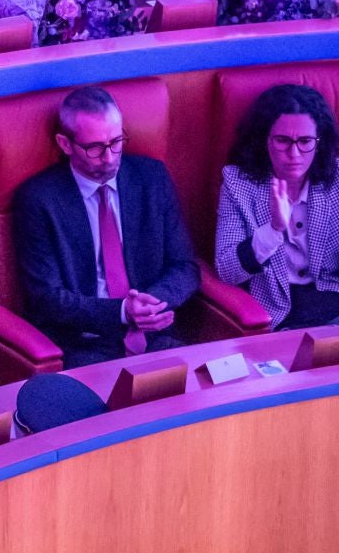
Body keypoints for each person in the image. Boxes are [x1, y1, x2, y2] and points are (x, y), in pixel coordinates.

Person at [11, 87, 200, 368]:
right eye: (95, 147)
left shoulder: (152, 179)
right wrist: (123, 312)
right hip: (85, 344)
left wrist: (151, 305)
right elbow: (46, 298)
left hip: (156, 336)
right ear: (65, 144)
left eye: (116, 142)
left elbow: (185, 267)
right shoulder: (39, 199)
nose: (110, 157)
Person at [213, 83, 339, 330]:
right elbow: (227, 270)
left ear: (320, 142)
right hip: (286, 311)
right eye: (283, 140)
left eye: (305, 141)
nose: (294, 153)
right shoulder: (237, 183)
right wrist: (273, 230)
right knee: (330, 350)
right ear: (264, 140)